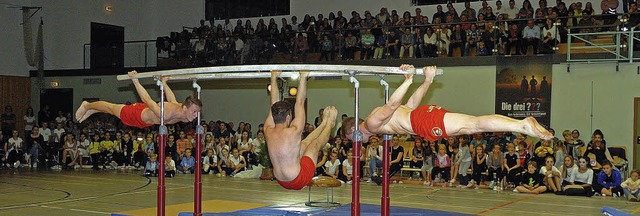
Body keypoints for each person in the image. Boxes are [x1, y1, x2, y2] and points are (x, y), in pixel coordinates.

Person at [342, 65, 553, 146]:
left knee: (475, 124)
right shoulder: (376, 120)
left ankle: (522, 125)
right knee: (470, 127)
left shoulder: (370, 124)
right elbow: (409, 104)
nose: (355, 142)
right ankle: (520, 125)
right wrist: (426, 81)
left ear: (354, 130)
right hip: (420, 118)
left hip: (422, 122)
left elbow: (392, 104)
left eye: (352, 139)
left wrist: (407, 79)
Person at [264, 70, 338, 190]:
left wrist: (273, 77)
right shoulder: (294, 130)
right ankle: (330, 123)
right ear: (288, 116)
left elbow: (273, 103)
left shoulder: (267, 129)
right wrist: (303, 77)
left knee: (304, 143)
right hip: (298, 178)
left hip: (281, 179)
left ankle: (323, 123)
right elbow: (300, 102)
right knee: (314, 145)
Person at [75, 72, 202, 128]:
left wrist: (164, 83)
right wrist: (135, 80)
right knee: (110, 108)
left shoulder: (183, 112)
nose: (196, 115)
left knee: (109, 110)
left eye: (197, 112)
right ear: (185, 108)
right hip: (137, 115)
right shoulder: (166, 112)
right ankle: (87, 105)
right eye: (194, 111)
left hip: (145, 122)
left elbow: (171, 98)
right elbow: (146, 99)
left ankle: (92, 110)